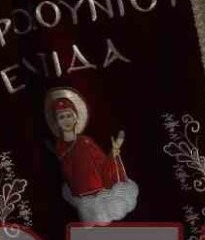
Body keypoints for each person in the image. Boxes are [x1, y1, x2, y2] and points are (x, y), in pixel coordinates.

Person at [46, 86, 138, 224]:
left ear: (76, 117)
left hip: (101, 197)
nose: (66, 120)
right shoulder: (59, 149)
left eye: (69, 115)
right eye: (61, 117)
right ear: (56, 121)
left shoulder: (86, 142)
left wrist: (114, 152)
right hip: (81, 200)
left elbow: (102, 164)